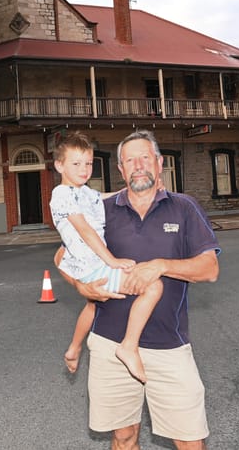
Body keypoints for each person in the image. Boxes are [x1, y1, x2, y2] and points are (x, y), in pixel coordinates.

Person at [55, 129, 220, 450]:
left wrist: (160, 265)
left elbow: (209, 268)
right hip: (108, 346)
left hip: (168, 346)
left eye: (145, 157)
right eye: (130, 160)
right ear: (121, 169)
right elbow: (61, 255)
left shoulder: (184, 207)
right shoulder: (102, 209)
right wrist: (82, 286)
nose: (139, 165)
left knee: (189, 441)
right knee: (123, 437)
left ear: (159, 163)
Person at [51, 131, 161, 383]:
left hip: (87, 264)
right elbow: (85, 231)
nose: (84, 169)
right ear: (59, 165)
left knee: (94, 304)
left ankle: (73, 348)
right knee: (153, 286)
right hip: (91, 265)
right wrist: (111, 260)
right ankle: (129, 346)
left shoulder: (84, 192)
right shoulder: (62, 194)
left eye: (88, 163)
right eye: (76, 164)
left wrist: (136, 188)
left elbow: (105, 198)